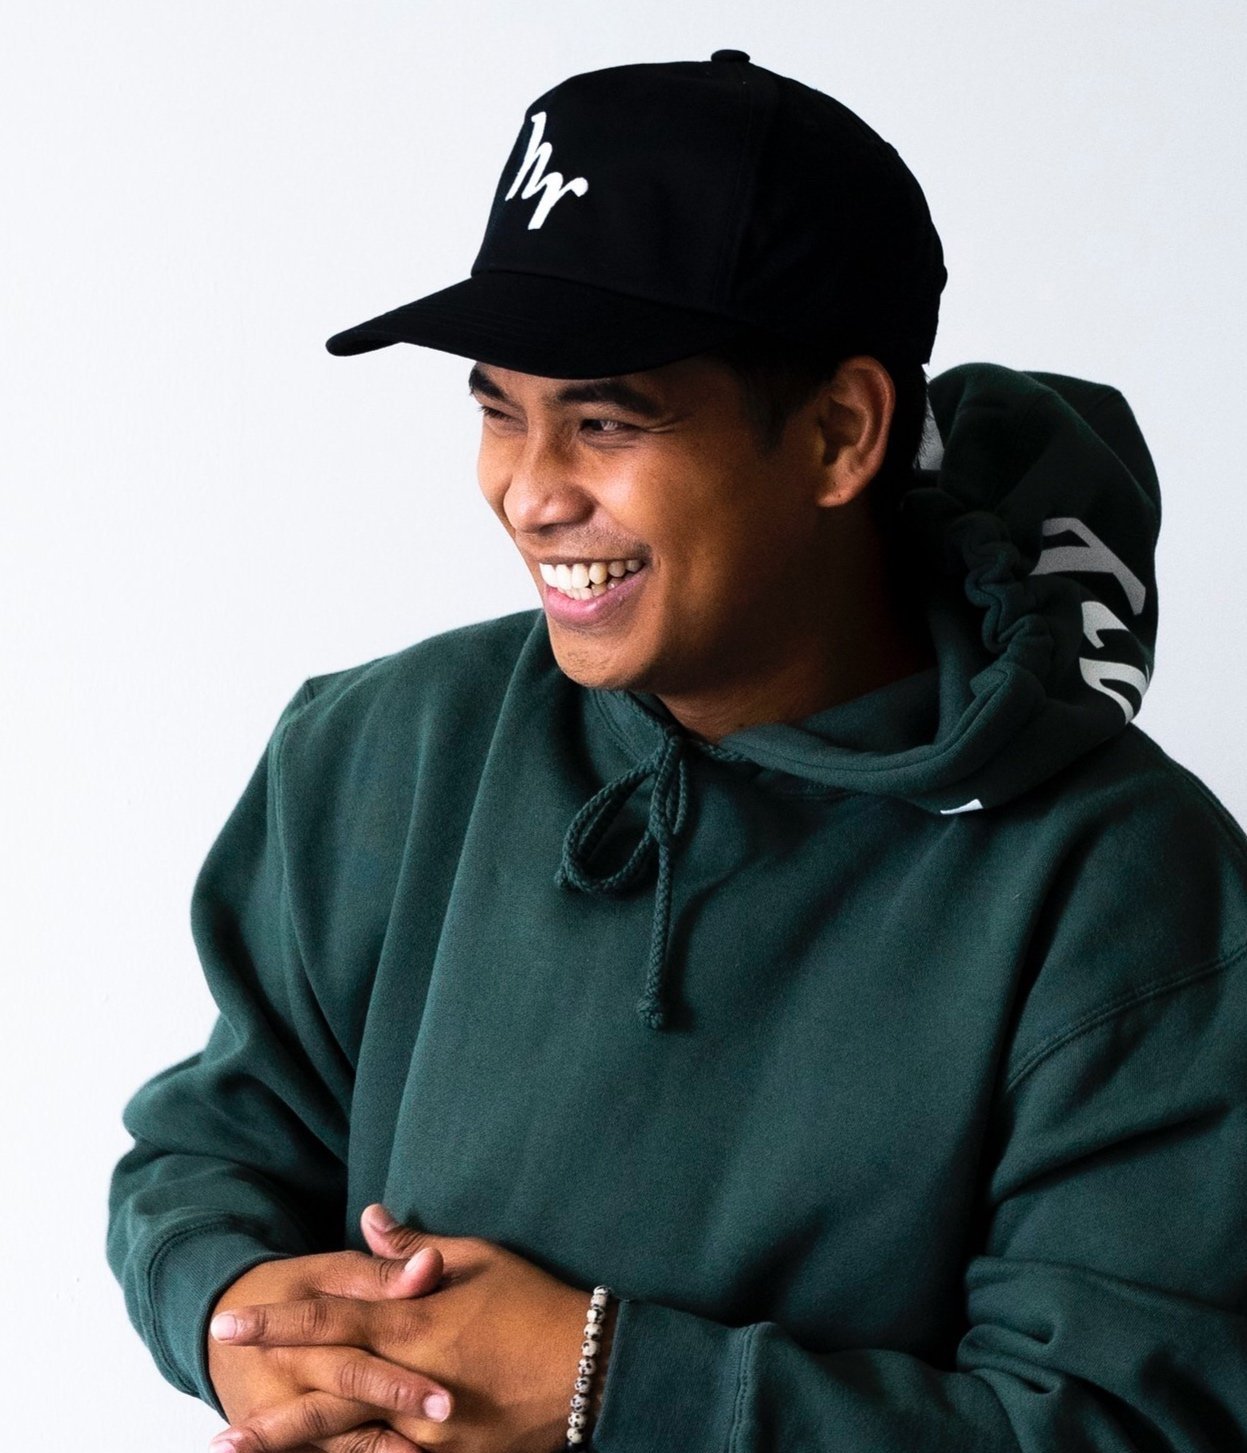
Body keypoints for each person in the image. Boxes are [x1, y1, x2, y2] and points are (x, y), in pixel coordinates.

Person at [108, 50, 1247, 1453]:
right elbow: (212, 1150)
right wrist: (235, 1316)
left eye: (605, 420)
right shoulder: (382, 748)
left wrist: (608, 1385)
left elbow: (1122, 1427)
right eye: (498, 408)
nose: (530, 491)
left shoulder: (1127, 885)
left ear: (838, 434)